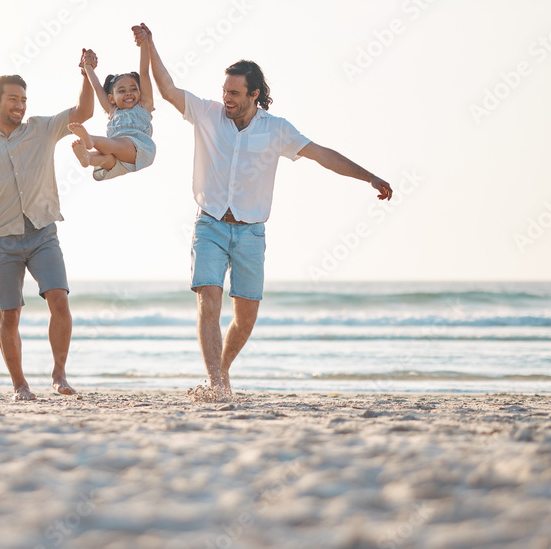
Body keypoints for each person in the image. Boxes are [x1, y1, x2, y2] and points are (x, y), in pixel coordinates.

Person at [134, 23, 393, 397]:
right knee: (208, 299)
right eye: (225, 91)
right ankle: (217, 384)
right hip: (209, 224)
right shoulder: (207, 114)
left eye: (235, 93)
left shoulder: (276, 130)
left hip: (251, 232)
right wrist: (150, 44)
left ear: (254, 94)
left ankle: (221, 371)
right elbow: (169, 89)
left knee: (246, 316)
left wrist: (368, 177)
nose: (227, 98)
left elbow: (322, 155)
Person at [0, 50, 97, 401]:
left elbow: (84, 112)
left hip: (42, 232)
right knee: (9, 315)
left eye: (24, 100)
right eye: (13, 99)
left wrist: (87, 73)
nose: (20, 106)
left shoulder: (42, 128)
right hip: (1, 240)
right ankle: (20, 385)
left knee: (59, 299)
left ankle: (59, 374)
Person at [67, 35, 155, 181]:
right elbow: (96, 87)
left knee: (115, 144)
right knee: (105, 158)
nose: (128, 93)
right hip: (117, 156)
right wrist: (87, 66)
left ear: (140, 92)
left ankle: (91, 140)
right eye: (121, 91)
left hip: (139, 149)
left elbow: (145, 73)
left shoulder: (144, 106)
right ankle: (88, 157)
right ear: (111, 98)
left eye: (133, 89)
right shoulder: (113, 111)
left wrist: (144, 43)